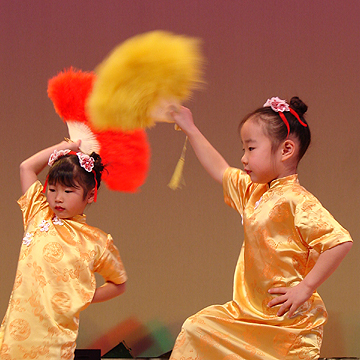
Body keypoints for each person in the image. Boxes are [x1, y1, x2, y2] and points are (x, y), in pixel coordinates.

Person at [168, 97, 353, 360]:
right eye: (244, 149)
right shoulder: (253, 193)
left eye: (251, 148)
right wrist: (190, 128)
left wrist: (306, 287)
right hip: (249, 315)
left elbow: (339, 242)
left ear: (286, 149)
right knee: (197, 328)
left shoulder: (297, 199)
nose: (243, 158)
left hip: (286, 322)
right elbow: (221, 170)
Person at [0, 140, 127, 360]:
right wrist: (66, 146)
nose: (58, 198)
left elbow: (119, 283)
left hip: (56, 343)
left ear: (90, 195)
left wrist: (84, 296)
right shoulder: (38, 214)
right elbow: (26, 167)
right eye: (52, 189)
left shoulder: (97, 241)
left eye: (68, 191)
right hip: (14, 337)